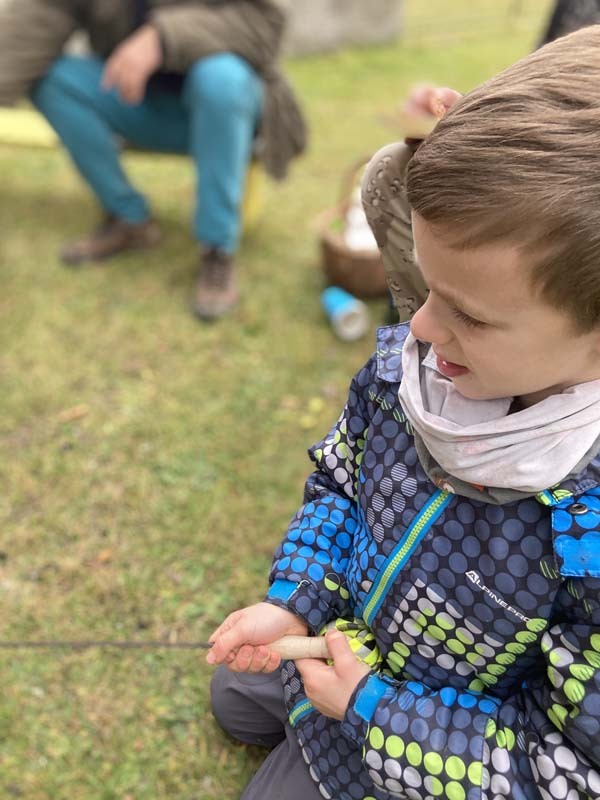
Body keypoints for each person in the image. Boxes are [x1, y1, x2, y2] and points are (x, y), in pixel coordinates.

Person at [207, 25, 600, 800]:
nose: (418, 326)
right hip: (355, 646)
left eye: (469, 314)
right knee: (234, 696)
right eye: (425, 283)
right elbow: (340, 482)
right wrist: (297, 602)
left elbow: (566, 769)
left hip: (432, 739)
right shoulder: (417, 363)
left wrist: (372, 710)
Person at [0, 0, 306, 320]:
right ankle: (128, 219)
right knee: (55, 80)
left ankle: (217, 250)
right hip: (136, 99)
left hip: (222, 108)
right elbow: (35, 19)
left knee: (221, 77)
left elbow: (264, 23)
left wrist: (162, 36)